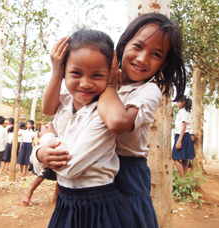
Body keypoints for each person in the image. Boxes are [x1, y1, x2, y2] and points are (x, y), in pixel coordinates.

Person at [41, 13, 187, 228]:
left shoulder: (147, 90)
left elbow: (118, 123)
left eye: (156, 54)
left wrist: (110, 86)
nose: (142, 58)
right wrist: (57, 72)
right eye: (138, 46)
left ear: (163, 64)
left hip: (127, 177)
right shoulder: (96, 80)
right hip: (92, 172)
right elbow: (51, 108)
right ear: (122, 45)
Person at [31, 28, 139, 228]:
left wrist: (43, 144)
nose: (85, 83)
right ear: (64, 71)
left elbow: (69, 168)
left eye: (97, 75)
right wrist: (56, 70)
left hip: (99, 207)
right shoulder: (65, 105)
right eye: (75, 73)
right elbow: (47, 108)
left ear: (110, 74)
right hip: (68, 202)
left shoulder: (103, 113)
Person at [23, 129, 59, 206]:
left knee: (60, 178)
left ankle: (55, 197)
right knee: (41, 176)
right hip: (46, 152)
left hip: (58, 152)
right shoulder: (50, 125)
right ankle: (30, 192)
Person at [172, 96, 195, 178]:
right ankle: (184, 180)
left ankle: (182, 179)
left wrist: (179, 141)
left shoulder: (183, 112)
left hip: (182, 136)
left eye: (178, 102)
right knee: (185, 159)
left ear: (183, 102)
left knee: (175, 158)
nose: (177, 104)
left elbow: (183, 126)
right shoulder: (186, 112)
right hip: (185, 136)